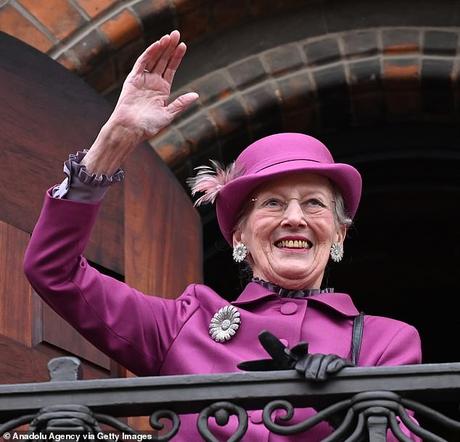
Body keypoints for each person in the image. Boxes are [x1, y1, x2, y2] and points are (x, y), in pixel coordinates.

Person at [23, 30, 422, 441]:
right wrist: (115, 141)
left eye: (314, 204)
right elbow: (53, 270)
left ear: (338, 233)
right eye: (272, 204)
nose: (295, 219)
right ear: (237, 236)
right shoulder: (184, 323)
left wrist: (348, 409)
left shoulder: (386, 343)